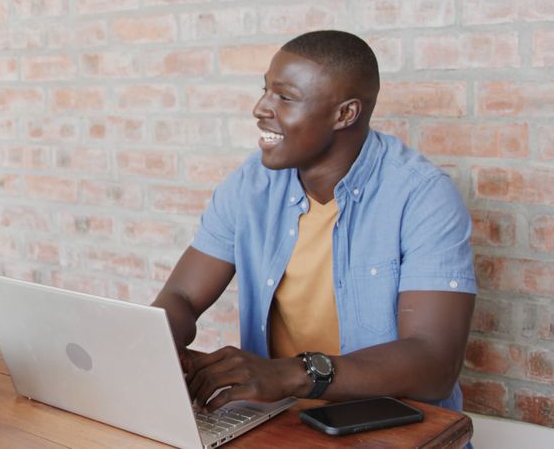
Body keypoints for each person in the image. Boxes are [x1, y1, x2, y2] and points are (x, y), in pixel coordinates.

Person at [152, 30, 476, 413]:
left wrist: (290, 374)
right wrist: (158, 347)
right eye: (266, 91)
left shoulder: (422, 196)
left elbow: (434, 363)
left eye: (285, 97)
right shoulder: (251, 183)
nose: (260, 108)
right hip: (277, 423)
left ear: (345, 114)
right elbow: (183, 296)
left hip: (390, 429)